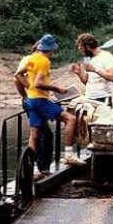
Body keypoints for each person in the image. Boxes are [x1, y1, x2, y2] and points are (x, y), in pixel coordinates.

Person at [17, 34, 81, 166]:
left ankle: (33, 167)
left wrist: (28, 90)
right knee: (71, 119)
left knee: (35, 134)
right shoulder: (44, 61)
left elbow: (18, 75)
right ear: (51, 49)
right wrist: (57, 88)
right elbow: (38, 83)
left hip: (31, 100)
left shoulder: (32, 58)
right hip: (40, 100)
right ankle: (69, 154)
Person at [14, 42, 55, 177]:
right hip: (33, 101)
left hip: (38, 100)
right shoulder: (29, 60)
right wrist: (26, 96)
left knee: (43, 134)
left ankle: (41, 167)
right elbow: (17, 78)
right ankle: (36, 167)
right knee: (39, 133)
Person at [72, 33, 113, 106]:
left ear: (87, 46)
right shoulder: (87, 58)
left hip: (102, 98)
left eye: (81, 48)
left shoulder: (106, 56)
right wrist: (79, 73)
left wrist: (95, 69)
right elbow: (86, 81)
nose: (81, 51)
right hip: (89, 98)